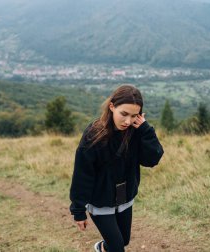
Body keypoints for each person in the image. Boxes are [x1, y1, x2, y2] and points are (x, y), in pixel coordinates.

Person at [69, 85, 164, 252]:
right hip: (100, 200)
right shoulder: (94, 134)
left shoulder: (136, 132)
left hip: (124, 198)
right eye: (124, 114)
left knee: (124, 240)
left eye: (134, 116)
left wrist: (146, 131)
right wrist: (78, 210)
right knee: (118, 247)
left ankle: (102, 248)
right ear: (112, 107)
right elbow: (82, 174)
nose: (128, 121)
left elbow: (152, 160)